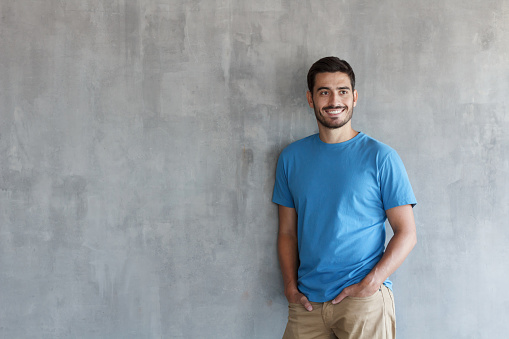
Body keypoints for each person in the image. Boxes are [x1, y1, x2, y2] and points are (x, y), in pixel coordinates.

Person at [272, 56, 417, 339]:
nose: (334, 100)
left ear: (355, 97)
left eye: (343, 91)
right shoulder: (291, 158)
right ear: (310, 98)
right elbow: (287, 232)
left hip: (363, 302)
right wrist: (290, 287)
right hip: (308, 304)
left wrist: (372, 283)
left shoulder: (381, 157)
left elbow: (407, 233)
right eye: (324, 91)